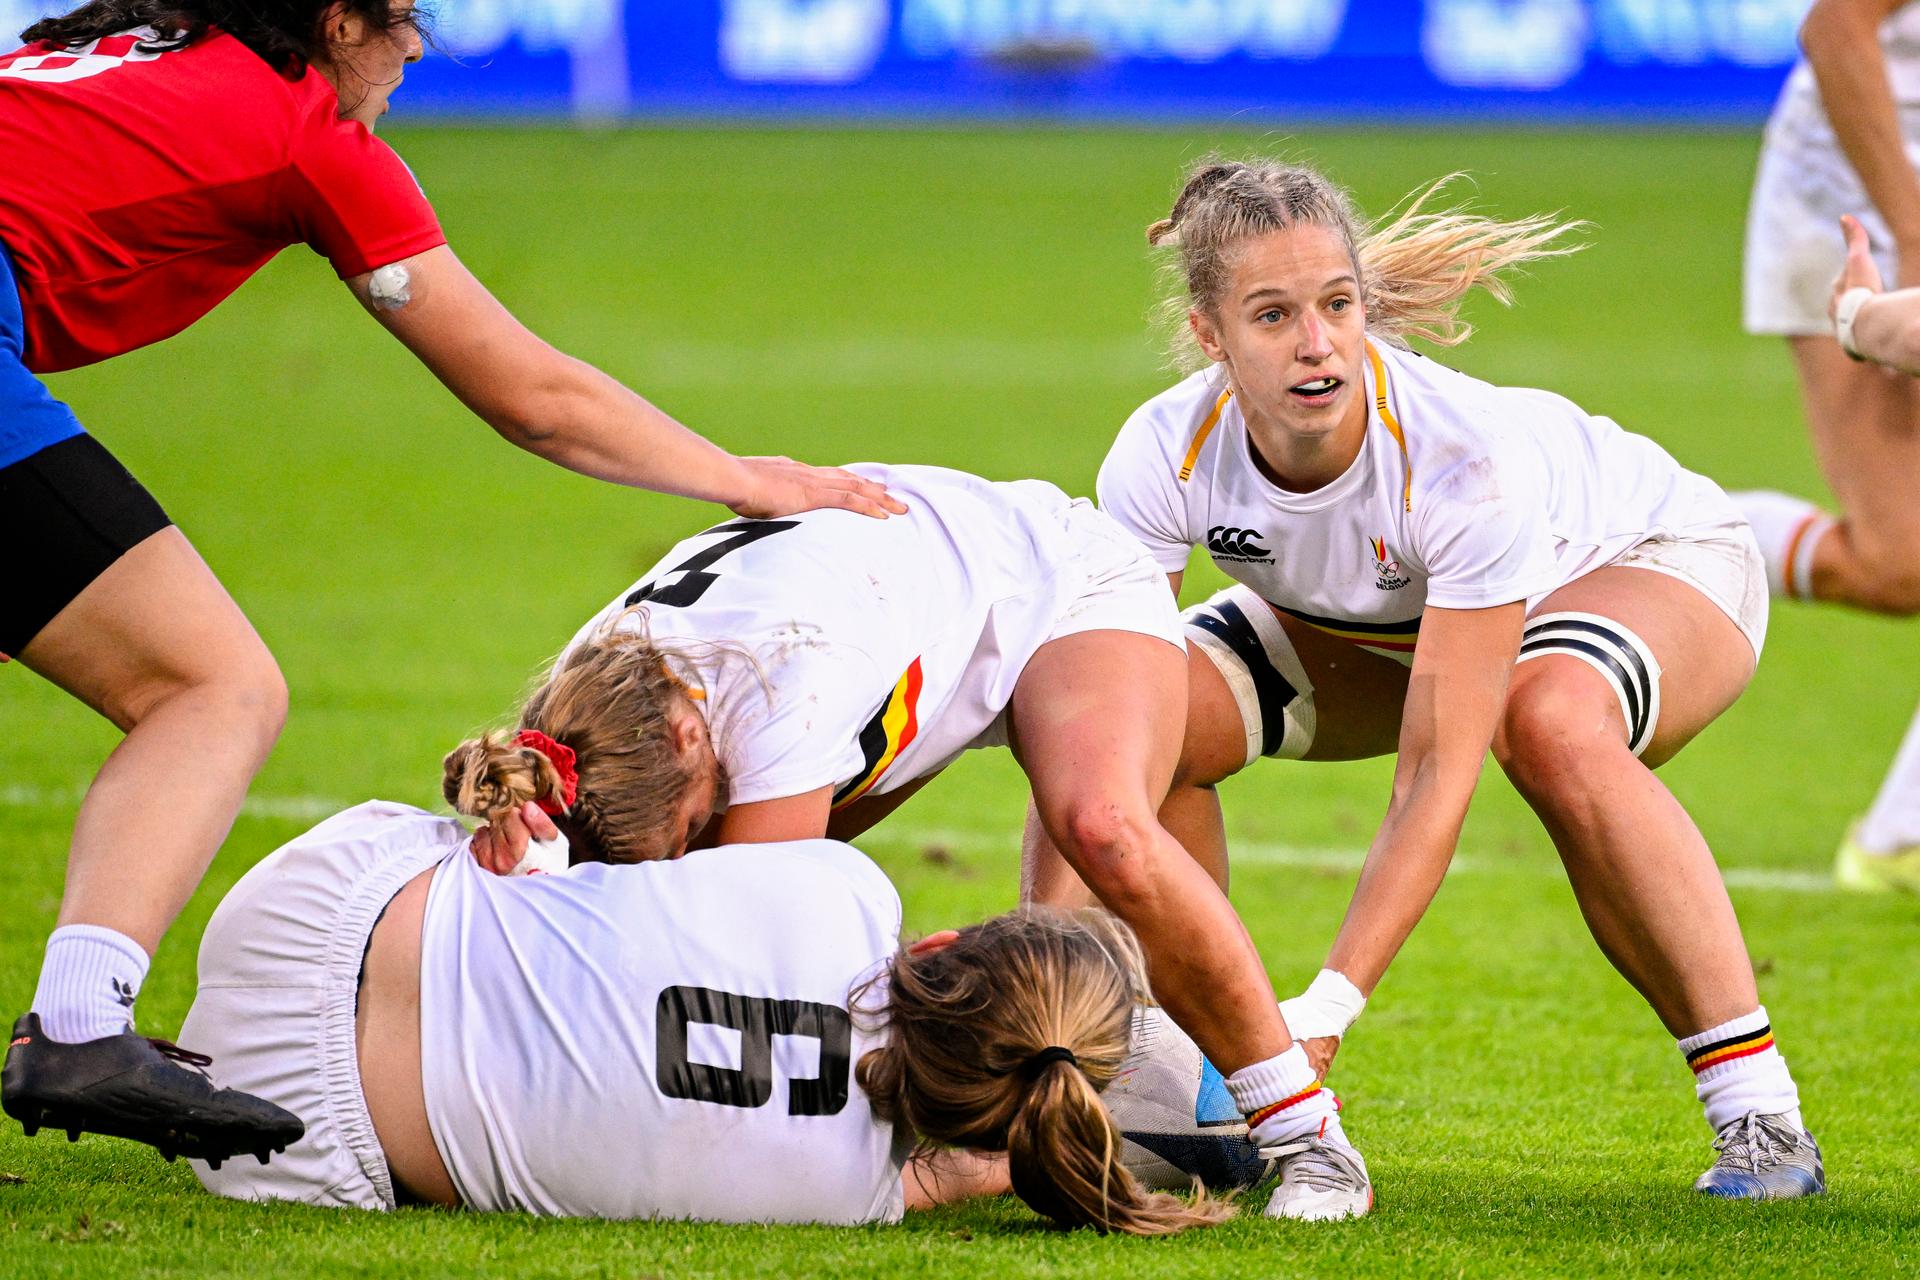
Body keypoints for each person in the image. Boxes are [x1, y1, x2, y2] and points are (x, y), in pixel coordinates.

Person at [0, 0, 896, 1165]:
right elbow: (532, 396)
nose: (415, 48)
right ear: (334, 19)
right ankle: (78, 1023)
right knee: (210, 686)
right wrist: (744, 477)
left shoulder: (116, 47)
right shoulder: (305, 131)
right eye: (401, 18)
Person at [1026, 158, 1825, 1201]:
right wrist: (1038, 995)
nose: (1317, 344)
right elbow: (1098, 724)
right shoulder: (1162, 453)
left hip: (1650, 560)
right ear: (1211, 335)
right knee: (1145, 717)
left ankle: (1759, 1115)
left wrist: (1327, 1004)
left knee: (1546, 719)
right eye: (1273, 316)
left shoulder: (1459, 461)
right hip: (1383, 624)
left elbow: (1434, 774)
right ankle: (1200, 1067)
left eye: (1338, 305)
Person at [472, 462, 1372, 1221]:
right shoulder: (586, 714)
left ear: (685, 741)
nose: (688, 840)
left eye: (687, 818)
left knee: (1099, 839)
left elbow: (762, 977)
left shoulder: (785, 687)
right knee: (705, 908)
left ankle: (1306, 1132)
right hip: (900, 630)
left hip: (1057, 586)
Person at [175, 672, 1232, 1235]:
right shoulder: (848, 1197)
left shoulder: (845, 889)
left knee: (541, 871)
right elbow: (948, 1175)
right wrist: (1060, 1151)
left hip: (307, 903)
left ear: (950, 943)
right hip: (278, 1139)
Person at [1732, 0, 1920, 894]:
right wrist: (1911, 243)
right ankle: (1658, 531)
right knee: (1904, 560)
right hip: (1869, 198)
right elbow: (1838, 23)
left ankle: (1900, 839)